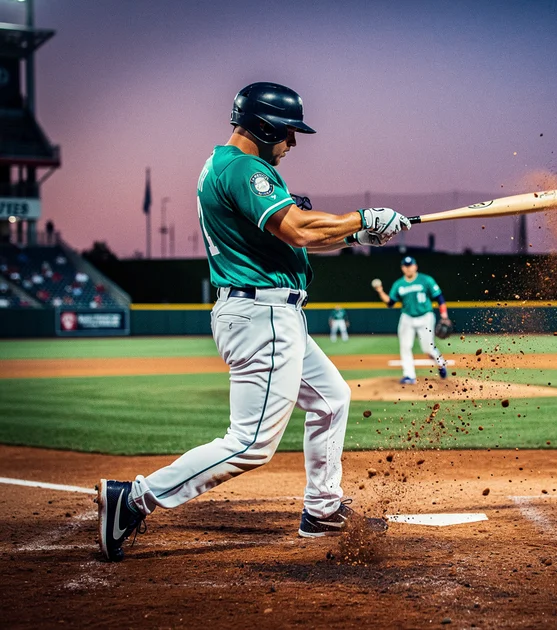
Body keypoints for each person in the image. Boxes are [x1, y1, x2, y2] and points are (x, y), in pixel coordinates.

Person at [95, 82, 411, 562]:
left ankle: (322, 510)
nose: (294, 142)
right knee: (250, 443)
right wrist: (361, 215)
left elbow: (291, 239)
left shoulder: (224, 164)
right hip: (262, 314)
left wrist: (358, 234)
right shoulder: (245, 168)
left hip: (267, 311)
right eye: (288, 132)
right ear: (263, 127)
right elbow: (298, 227)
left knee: (332, 399)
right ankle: (133, 499)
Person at [372, 256, 448, 385]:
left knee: (428, 349)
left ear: (415, 266)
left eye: (410, 265)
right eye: (405, 266)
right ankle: (409, 375)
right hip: (407, 317)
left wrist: (444, 315)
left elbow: (439, 297)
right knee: (405, 347)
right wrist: (380, 291)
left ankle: (441, 364)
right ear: (402, 268)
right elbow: (390, 303)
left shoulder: (426, 280)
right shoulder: (399, 284)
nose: (408, 268)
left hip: (425, 316)